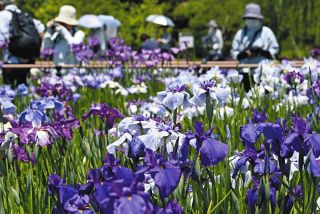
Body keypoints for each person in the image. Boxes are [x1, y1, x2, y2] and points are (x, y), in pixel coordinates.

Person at [0, 0, 45, 87]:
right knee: (23, 93)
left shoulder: (2, 15)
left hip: (10, 62)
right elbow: (41, 30)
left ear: (2, 4)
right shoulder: (26, 15)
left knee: (9, 93)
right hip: (28, 61)